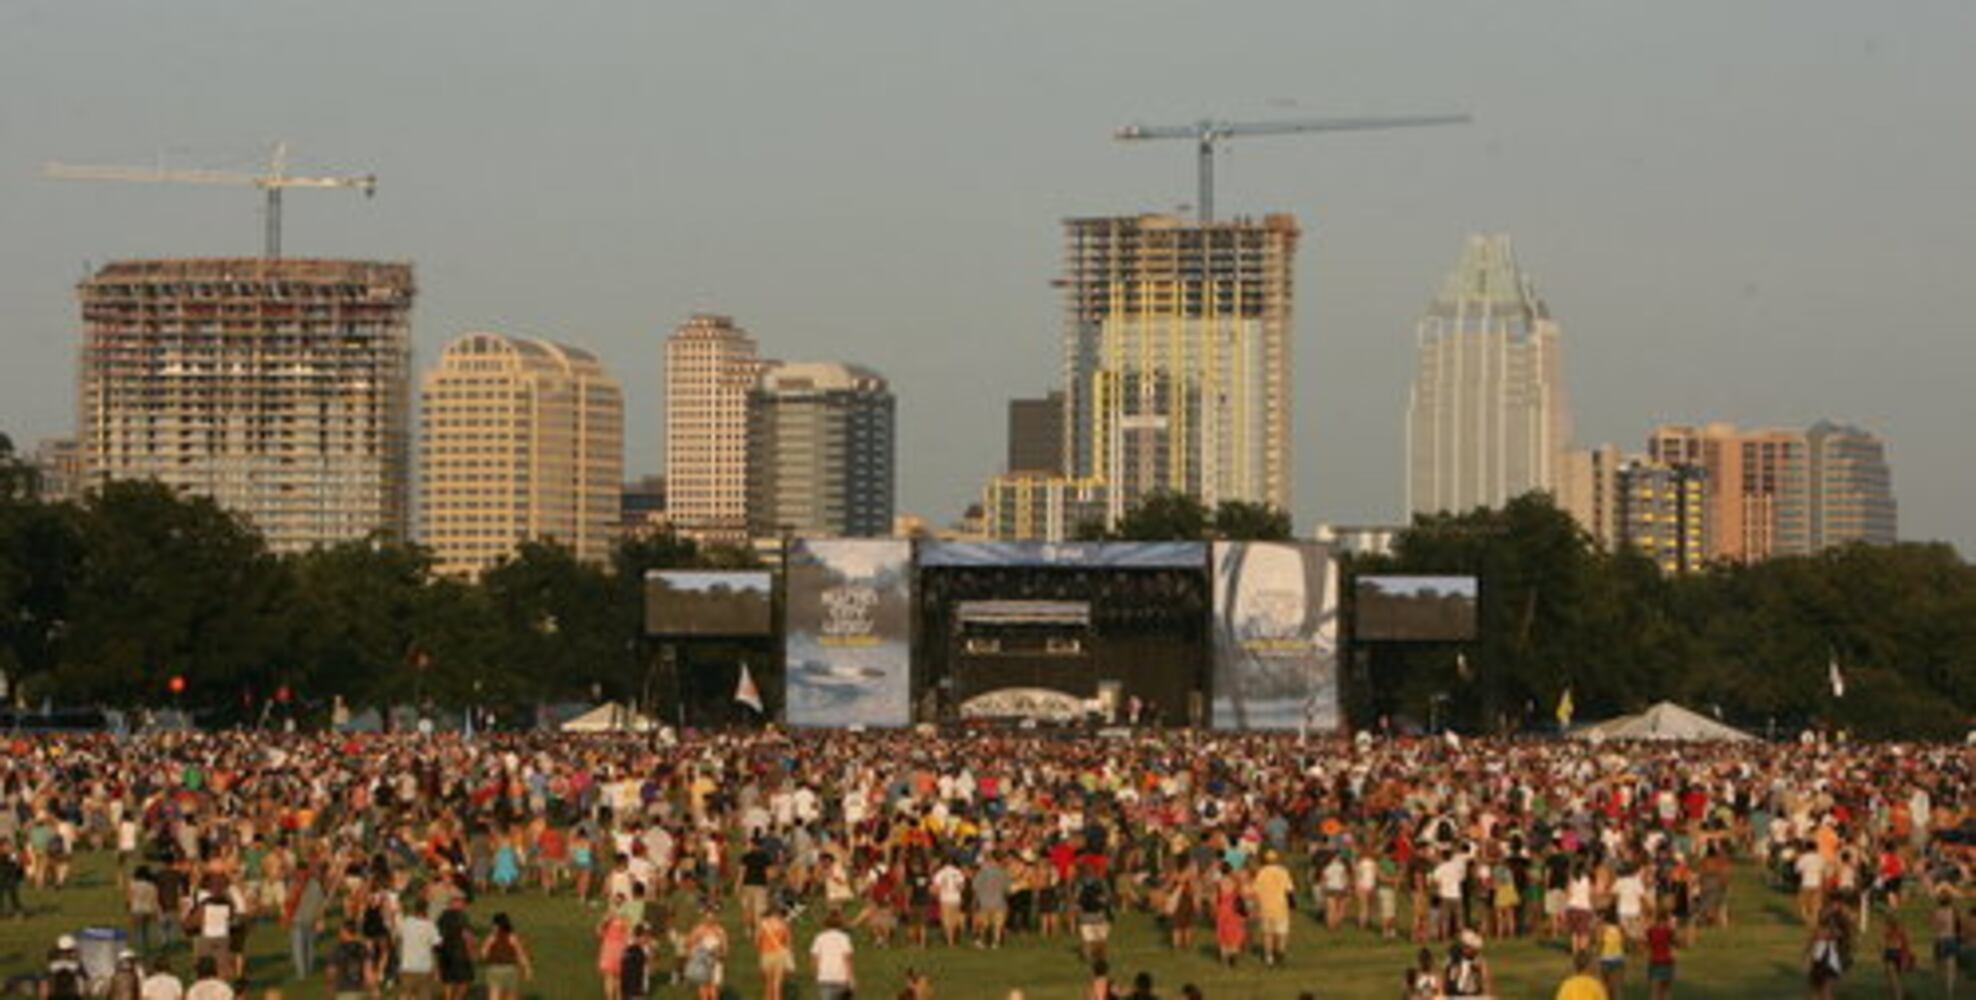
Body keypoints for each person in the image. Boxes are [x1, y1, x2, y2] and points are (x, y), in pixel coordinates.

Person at [1252, 849, 1296, 966]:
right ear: (1277, 859)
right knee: (1281, 933)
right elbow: (1289, 890)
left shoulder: (1261, 872)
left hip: (1265, 906)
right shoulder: (1283, 872)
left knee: (1267, 933)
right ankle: (1280, 952)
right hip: (1281, 906)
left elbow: (1255, 890)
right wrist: (1292, 904)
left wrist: (1256, 905)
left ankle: (1269, 956)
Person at [480, 913, 533, 1000]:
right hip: (510, 969)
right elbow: (520, 954)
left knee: (494, 995)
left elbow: (483, 953)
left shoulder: (491, 937)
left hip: (495, 969)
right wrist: (527, 968)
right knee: (511, 995)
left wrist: (487, 958)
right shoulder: (512, 937)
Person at [397, 898, 442, 999]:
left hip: (407, 966)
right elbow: (438, 944)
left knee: (405, 994)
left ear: (415, 909)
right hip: (424, 967)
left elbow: (398, 933)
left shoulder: (407, 922)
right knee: (424, 995)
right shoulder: (430, 925)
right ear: (426, 910)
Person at [435, 895, 475, 1000]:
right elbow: (466, 934)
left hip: (444, 953)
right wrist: (471, 950)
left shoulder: (442, 917)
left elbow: (438, 936)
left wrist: (438, 953)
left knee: (448, 980)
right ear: (453, 904)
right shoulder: (461, 916)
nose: (464, 905)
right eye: (461, 903)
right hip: (459, 953)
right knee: (464, 980)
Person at [810, 909, 856, 1000]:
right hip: (841, 977)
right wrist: (851, 978)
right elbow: (847, 958)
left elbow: (814, 958)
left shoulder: (820, 938)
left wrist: (816, 973)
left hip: (825, 977)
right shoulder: (844, 938)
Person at [682, 907, 727, 1000]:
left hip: (716, 962)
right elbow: (688, 943)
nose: (710, 920)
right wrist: (693, 951)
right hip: (702, 962)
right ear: (703, 918)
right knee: (704, 987)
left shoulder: (720, 931)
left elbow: (725, 948)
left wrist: (720, 953)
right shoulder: (699, 930)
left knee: (714, 988)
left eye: (712, 918)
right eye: (708, 918)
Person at [326, 920, 374, 1000]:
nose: (338, 934)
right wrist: (374, 990)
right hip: (361, 992)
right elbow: (368, 973)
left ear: (345, 932)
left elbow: (331, 973)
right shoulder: (363, 949)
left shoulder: (336, 950)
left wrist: (330, 989)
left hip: (343, 993)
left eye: (340, 931)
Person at [756, 904, 795, 1000]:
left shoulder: (763, 925)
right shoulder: (783, 925)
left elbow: (757, 942)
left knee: (768, 986)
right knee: (777, 986)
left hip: (767, 954)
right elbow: (788, 943)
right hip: (780, 955)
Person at [1444, 930, 1493, 997]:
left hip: (1472, 994)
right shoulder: (1453, 958)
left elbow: (1486, 979)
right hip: (1455, 994)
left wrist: (1487, 993)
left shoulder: (1478, 960)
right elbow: (1446, 977)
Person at [1880, 909, 1914, 1000]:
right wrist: (1906, 956)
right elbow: (1907, 942)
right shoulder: (1901, 928)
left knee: (1893, 982)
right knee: (1897, 980)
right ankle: (1901, 996)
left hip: (1891, 953)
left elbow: (1882, 944)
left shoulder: (1887, 928)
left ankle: (1899, 997)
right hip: (1899, 953)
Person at [1644, 909, 1677, 1000]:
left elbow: (1646, 945)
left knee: (1655, 992)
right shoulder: (1669, 931)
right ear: (1666, 919)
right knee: (1666, 991)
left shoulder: (1651, 931)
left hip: (1655, 961)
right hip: (1667, 961)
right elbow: (1675, 945)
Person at [41, 935, 87, 999]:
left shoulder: (52, 965)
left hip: (55, 996)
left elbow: (44, 983)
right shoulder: (76, 965)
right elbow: (84, 980)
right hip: (72, 996)